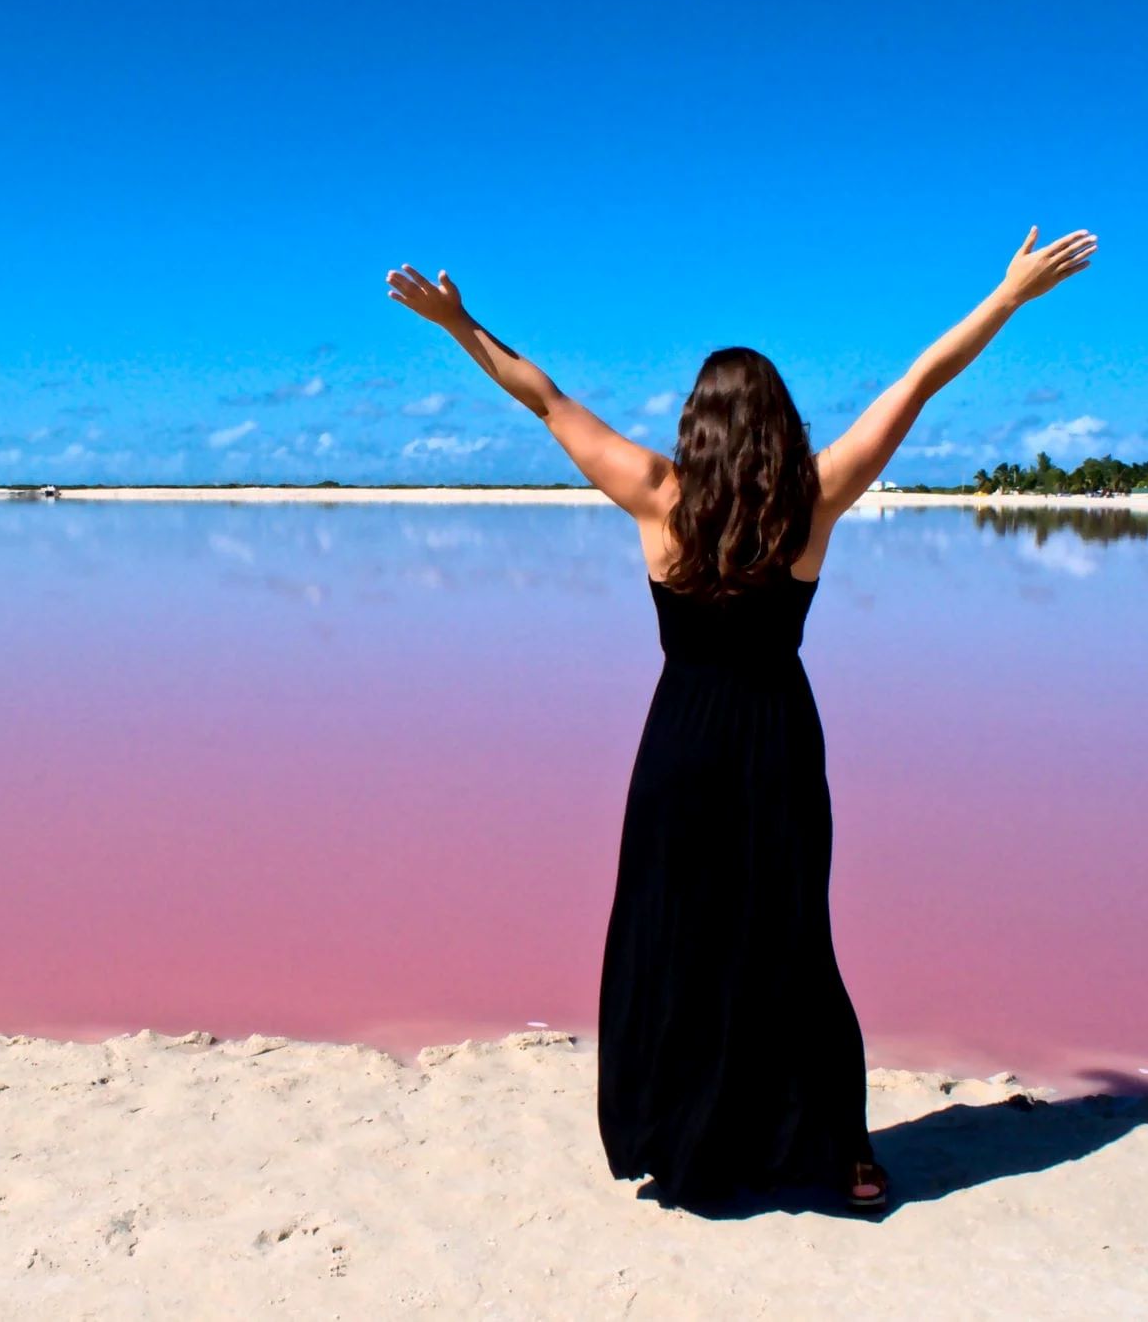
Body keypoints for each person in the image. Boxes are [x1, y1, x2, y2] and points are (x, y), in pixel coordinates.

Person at [383, 226, 1096, 1211]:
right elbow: (920, 380)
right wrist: (1006, 295)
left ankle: (695, 1144)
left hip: (680, 743)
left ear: (695, 425)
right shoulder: (813, 496)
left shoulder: (653, 493)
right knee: (790, 940)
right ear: (774, 422)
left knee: (682, 939)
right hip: (774, 739)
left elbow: (541, 397)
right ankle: (840, 1154)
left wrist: (458, 324)